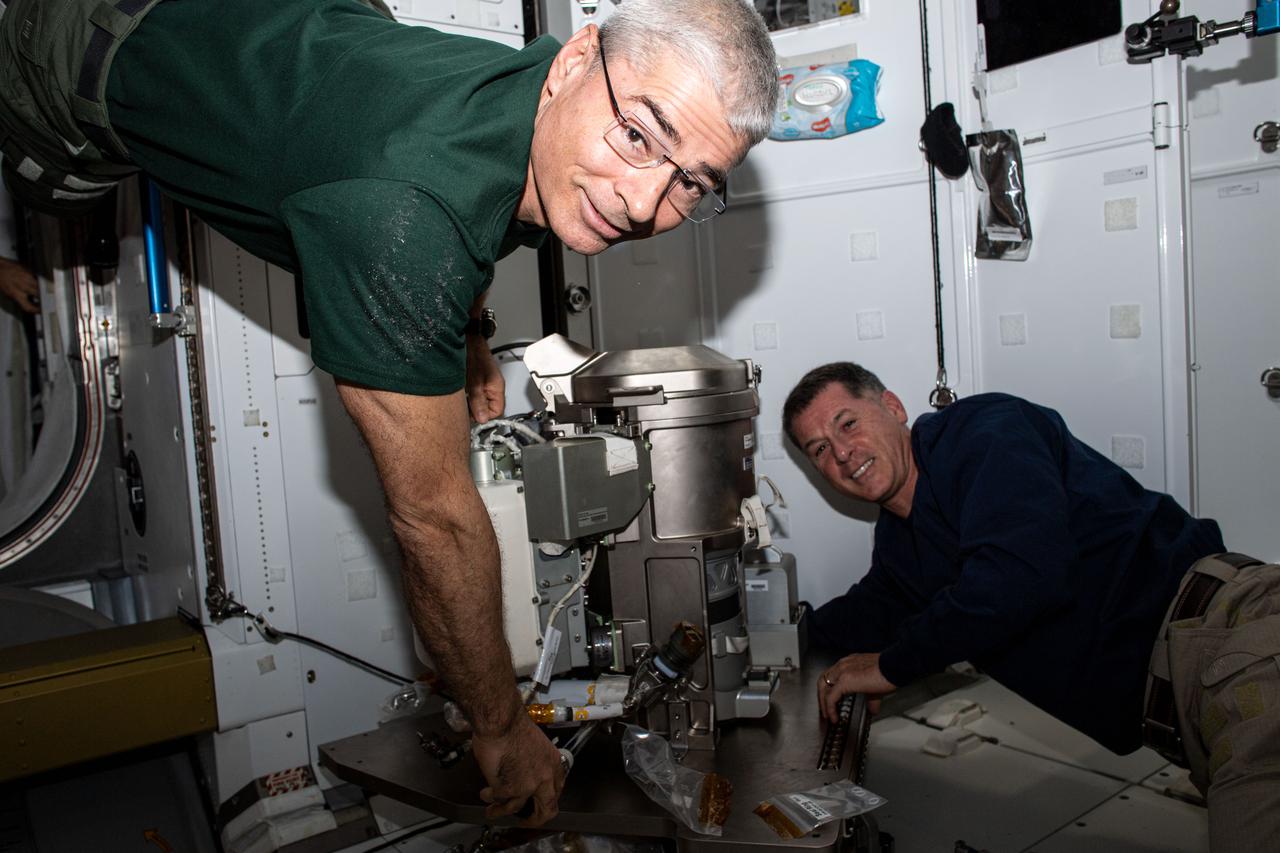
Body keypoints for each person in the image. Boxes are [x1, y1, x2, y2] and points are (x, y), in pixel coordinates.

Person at [0, 0, 778, 824]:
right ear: (576, 60)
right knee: (51, 175)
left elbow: (472, 202)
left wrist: (470, 330)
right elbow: (434, 519)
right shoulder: (402, 214)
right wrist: (501, 727)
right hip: (68, 41)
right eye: (640, 135)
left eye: (691, 181)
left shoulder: (535, 109)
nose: (644, 202)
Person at [783, 361, 1279, 852]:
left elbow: (1020, 576)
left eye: (847, 423)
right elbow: (864, 614)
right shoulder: (902, 545)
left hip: (1233, 641)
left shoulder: (982, 431)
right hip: (1191, 710)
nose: (842, 452)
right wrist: (773, 637)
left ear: (892, 407)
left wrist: (890, 667)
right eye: (819, 449)